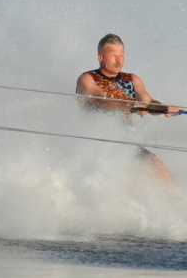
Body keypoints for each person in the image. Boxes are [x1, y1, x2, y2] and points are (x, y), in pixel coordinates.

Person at [76, 33, 181, 183]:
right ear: (101, 57)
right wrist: (132, 104)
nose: (119, 60)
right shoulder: (87, 79)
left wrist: (164, 108)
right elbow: (103, 100)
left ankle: (175, 202)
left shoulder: (132, 80)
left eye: (122, 55)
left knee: (156, 166)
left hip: (126, 143)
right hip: (96, 145)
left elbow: (147, 101)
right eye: (114, 55)